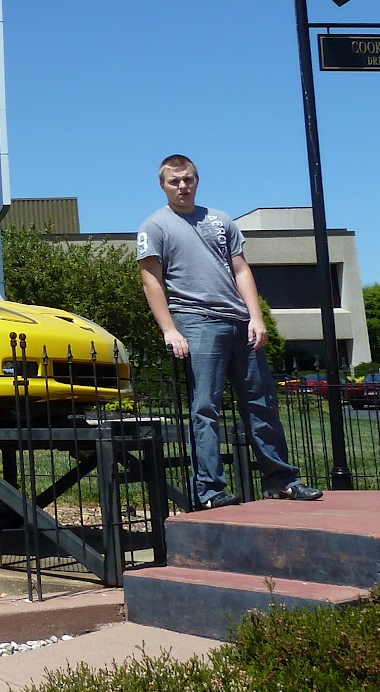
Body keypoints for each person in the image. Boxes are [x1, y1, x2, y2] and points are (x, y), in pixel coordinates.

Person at [137, 154, 323, 508]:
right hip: (197, 321)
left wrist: (256, 317)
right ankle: (209, 490)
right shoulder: (155, 226)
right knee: (205, 407)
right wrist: (170, 330)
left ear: (197, 179)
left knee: (262, 403)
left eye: (188, 179)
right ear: (163, 185)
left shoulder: (221, 220)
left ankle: (281, 481)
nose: (183, 186)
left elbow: (241, 270)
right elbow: (151, 281)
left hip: (240, 322)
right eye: (175, 181)